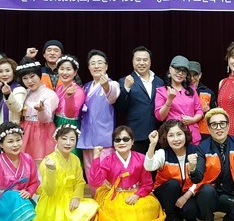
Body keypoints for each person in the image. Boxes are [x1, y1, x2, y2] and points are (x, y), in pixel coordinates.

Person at [70, 126, 166, 221]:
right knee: (119, 211)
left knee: (145, 210)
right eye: (117, 140)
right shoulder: (108, 160)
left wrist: (137, 195)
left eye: (126, 139)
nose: (121, 142)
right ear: (113, 143)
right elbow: (95, 182)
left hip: (137, 193)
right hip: (113, 195)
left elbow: (147, 184)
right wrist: (96, 158)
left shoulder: (141, 158)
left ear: (132, 141)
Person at [29, 124, 98, 221]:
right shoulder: (48, 161)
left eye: (72, 139)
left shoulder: (75, 159)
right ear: (56, 139)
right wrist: (51, 170)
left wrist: (76, 197)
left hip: (70, 198)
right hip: (53, 202)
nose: (68, 143)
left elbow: (80, 182)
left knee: (93, 206)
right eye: (64, 138)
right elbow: (49, 191)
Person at [144, 120, 201, 221]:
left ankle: (179, 217)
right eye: (171, 135)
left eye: (179, 134)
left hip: (185, 193)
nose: (176, 139)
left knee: (191, 210)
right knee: (173, 184)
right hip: (165, 193)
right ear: (166, 137)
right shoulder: (162, 153)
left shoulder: (195, 151)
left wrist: (186, 196)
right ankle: (169, 219)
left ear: (185, 134)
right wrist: (152, 144)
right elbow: (148, 167)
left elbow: (202, 178)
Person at [78, 50, 121, 181]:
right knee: (90, 175)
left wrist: (106, 86)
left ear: (106, 66)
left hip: (103, 139)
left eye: (100, 63)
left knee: (104, 176)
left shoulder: (113, 84)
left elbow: (112, 96)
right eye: (93, 63)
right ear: (89, 67)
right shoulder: (86, 87)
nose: (96, 66)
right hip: (87, 138)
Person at [116, 46, 165, 153]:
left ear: (150, 62)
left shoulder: (159, 81)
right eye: (138, 60)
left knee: (156, 163)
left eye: (145, 60)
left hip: (157, 133)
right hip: (136, 134)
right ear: (133, 62)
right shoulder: (124, 81)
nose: (141, 63)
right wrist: (126, 88)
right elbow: (120, 108)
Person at [16, 60, 59, 165]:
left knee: (41, 165)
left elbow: (46, 118)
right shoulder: (25, 92)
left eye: (32, 76)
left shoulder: (50, 94)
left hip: (42, 132)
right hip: (25, 130)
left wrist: (41, 110)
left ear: (39, 75)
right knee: (24, 164)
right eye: (25, 78)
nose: (29, 81)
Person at [154, 55, 204, 144]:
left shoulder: (191, 89)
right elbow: (160, 117)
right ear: (170, 69)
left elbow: (199, 110)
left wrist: (193, 120)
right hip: (174, 135)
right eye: (177, 69)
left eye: (184, 71)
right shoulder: (162, 91)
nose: (180, 73)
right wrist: (169, 100)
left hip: (193, 134)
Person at [54, 54, 86, 160]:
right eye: (62, 69)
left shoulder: (79, 91)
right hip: (56, 123)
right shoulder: (59, 88)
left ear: (75, 72)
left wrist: (69, 96)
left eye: (68, 69)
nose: (65, 72)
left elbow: (70, 114)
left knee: (69, 156)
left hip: (69, 125)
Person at [0, 57, 27, 147]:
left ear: (13, 72)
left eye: (7, 71)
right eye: (0, 71)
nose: (4, 74)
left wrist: (8, 94)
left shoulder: (19, 89)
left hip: (10, 132)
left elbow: (17, 108)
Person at [188, 60, 216, 139]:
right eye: (189, 75)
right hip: (186, 131)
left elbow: (215, 113)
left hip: (204, 132)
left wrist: (208, 111)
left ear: (200, 75)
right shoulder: (181, 90)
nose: (192, 78)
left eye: (195, 75)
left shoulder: (208, 92)